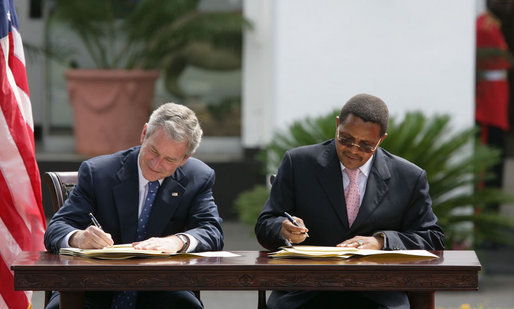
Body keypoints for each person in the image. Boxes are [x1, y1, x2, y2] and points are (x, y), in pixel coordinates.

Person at [255, 93, 445, 309]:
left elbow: (432, 238)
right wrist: (282, 228)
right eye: (345, 139)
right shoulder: (298, 163)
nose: (353, 150)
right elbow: (264, 224)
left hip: (378, 294)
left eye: (366, 145)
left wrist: (382, 242)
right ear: (337, 125)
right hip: (305, 290)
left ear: (381, 139)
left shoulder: (409, 177)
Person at [44, 103, 223, 309]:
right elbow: (57, 228)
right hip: (92, 287)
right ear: (144, 133)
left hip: (161, 288)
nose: (156, 164)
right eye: (153, 151)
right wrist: (78, 237)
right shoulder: (98, 172)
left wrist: (177, 242)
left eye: (169, 160)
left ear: (185, 159)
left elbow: (212, 231)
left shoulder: (198, 177)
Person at [475, 0, 512, 195]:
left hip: (496, 101)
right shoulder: (484, 26)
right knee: (488, 164)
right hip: (488, 105)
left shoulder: (492, 25)